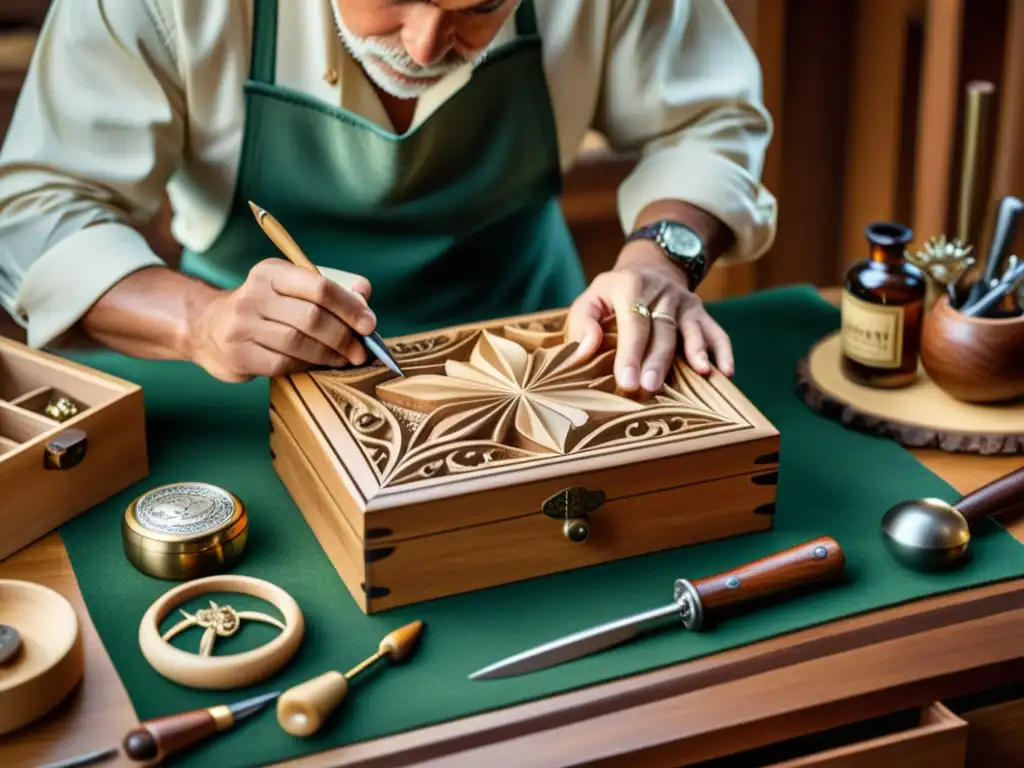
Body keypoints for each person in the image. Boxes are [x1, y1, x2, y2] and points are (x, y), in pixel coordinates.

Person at [0, 0, 776, 394]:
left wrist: (661, 260)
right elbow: (38, 211)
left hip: (547, 353)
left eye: (480, 9)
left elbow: (710, 120)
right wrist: (201, 322)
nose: (424, 45)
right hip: (254, 380)